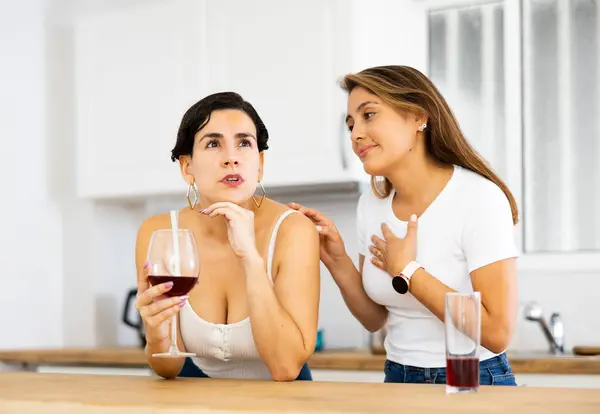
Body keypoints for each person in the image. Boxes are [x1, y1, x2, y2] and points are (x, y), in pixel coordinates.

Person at [290, 65, 519, 385]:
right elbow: (375, 319)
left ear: (418, 116)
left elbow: (496, 332)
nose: (356, 134)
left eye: (369, 115)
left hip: (469, 375)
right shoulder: (371, 205)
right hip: (398, 374)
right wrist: (337, 259)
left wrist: (408, 271)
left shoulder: (478, 198)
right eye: (351, 123)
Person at [134, 92, 320, 381]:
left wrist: (251, 259)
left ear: (259, 164)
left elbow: (286, 368)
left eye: (244, 143)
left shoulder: (294, 230)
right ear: (187, 167)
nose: (231, 158)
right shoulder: (160, 234)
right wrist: (156, 331)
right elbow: (167, 367)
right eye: (213, 143)